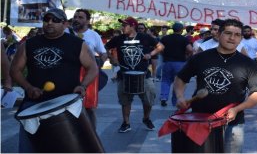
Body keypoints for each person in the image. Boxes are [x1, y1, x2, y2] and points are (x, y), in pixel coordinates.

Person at [9, 8, 98, 152]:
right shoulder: (29, 44)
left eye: (55, 20)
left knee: (68, 148)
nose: (49, 23)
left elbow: (92, 68)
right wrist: (28, 87)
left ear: (65, 24)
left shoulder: (77, 44)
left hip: (66, 105)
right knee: (29, 148)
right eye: (46, 19)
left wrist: (83, 86)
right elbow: (15, 70)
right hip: (34, 104)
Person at [174, 18, 257, 153]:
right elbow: (181, 78)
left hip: (233, 123)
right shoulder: (200, 58)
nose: (232, 38)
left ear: (241, 39)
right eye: (228, 33)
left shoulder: (248, 63)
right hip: (200, 120)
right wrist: (180, 96)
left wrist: (237, 109)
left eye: (237, 35)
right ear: (218, 34)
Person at [105, 17, 164, 132]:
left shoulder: (145, 37)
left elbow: (161, 46)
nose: (122, 28)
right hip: (124, 75)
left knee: (149, 98)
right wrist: (111, 57)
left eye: (124, 25)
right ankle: (126, 123)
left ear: (132, 26)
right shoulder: (118, 39)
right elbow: (105, 47)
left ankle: (146, 118)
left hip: (144, 75)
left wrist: (150, 54)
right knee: (125, 100)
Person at [71, 8, 108, 126]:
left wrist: (99, 65)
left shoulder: (93, 35)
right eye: (75, 17)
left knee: (89, 107)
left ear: (88, 21)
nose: (76, 19)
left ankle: (92, 135)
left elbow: (103, 53)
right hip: (69, 73)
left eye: (80, 17)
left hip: (88, 75)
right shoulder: (66, 32)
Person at [159, 22, 193, 107]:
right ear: (181, 30)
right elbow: (190, 49)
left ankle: (164, 97)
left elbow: (159, 48)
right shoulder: (184, 39)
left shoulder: (165, 38)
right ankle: (175, 101)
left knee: (165, 80)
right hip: (180, 63)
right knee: (178, 82)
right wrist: (187, 56)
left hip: (167, 62)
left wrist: (164, 55)